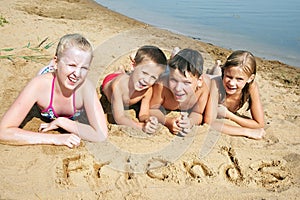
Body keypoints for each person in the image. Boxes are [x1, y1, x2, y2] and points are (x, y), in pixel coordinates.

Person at [0, 33, 108, 148]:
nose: (77, 74)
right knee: (49, 74)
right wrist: (55, 138)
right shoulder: (39, 85)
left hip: (61, 77)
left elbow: (101, 135)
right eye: (72, 65)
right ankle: (51, 67)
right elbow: (4, 132)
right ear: (56, 62)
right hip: (51, 79)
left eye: (84, 68)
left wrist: (62, 122)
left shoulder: (86, 89)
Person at [100, 45, 167, 134]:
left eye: (153, 77)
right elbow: (119, 118)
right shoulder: (118, 87)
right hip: (111, 80)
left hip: (130, 78)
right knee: (119, 74)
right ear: (133, 66)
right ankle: (120, 70)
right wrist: (141, 126)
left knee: (129, 76)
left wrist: (148, 120)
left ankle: (125, 71)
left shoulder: (147, 90)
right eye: (144, 73)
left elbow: (143, 114)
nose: (146, 80)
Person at [149, 48, 210, 135]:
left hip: (182, 74)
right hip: (167, 71)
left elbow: (198, 113)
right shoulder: (162, 85)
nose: (178, 88)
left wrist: (190, 122)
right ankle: (174, 55)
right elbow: (151, 109)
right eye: (173, 80)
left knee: (213, 75)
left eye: (187, 82)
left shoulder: (202, 89)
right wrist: (166, 121)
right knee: (166, 68)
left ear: (199, 81)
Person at [208, 50, 265, 139]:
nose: (232, 83)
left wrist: (229, 115)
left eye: (239, 79)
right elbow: (209, 122)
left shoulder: (251, 87)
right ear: (224, 71)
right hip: (209, 81)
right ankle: (216, 68)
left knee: (220, 78)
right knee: (216, 78)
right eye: (229, 77)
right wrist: (246, 131)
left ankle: (216, 67)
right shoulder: (215, 86)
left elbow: (259, 123)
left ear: (250, 78)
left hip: (220, 79)